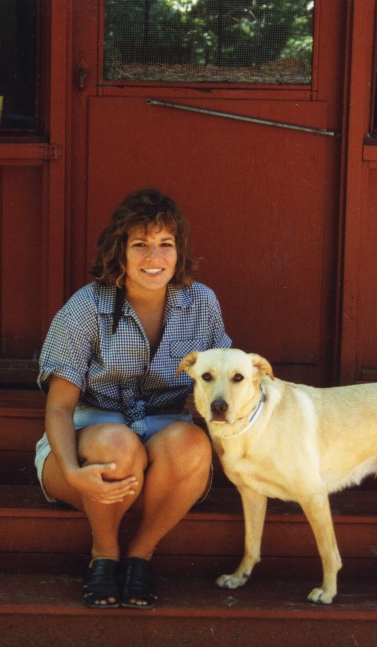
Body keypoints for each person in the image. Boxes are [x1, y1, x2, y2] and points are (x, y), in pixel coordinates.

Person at [35, 188, 231, 609]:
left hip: (163, 438)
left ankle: (141, 553)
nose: (154, 257)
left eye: (165, 245)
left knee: (194, 443)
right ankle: (104, 553)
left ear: (179, 253)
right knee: (118, 445)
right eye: (140, 245)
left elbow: (226, 386)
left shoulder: (202, 304)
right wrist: (71, 471)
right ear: (119, 252)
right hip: (90, 440)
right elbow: (60, 407)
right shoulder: (85, 307)